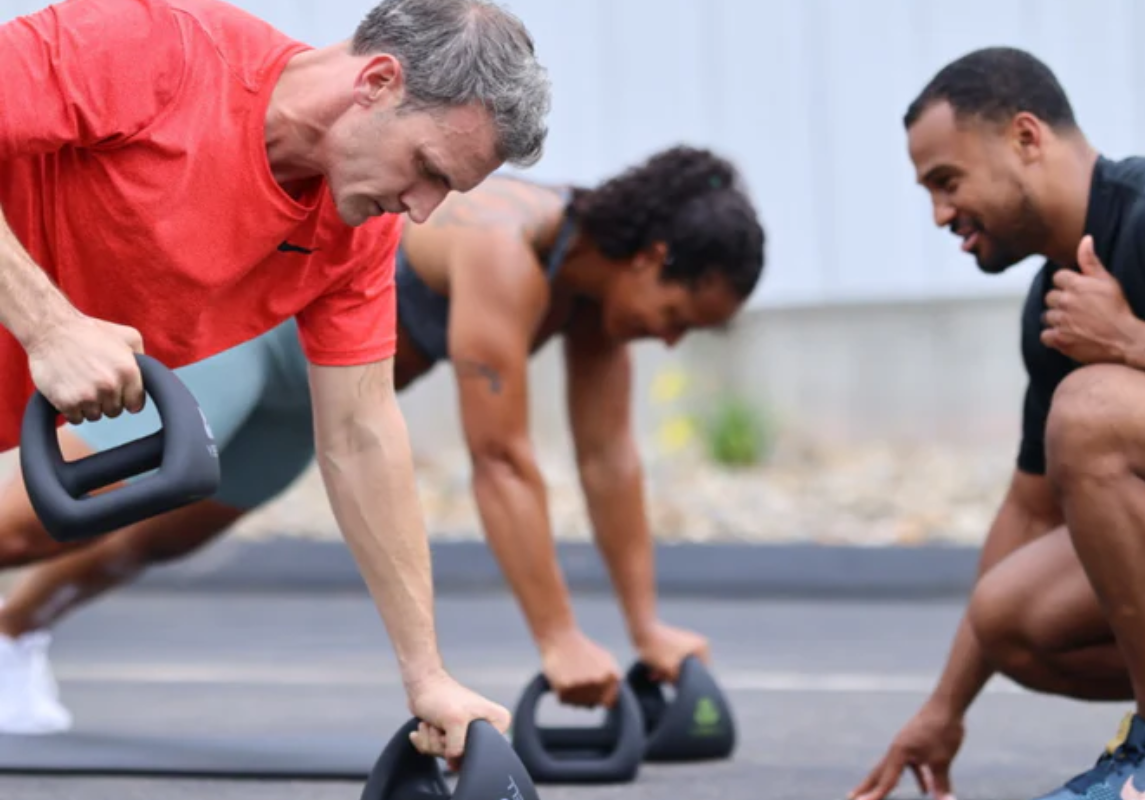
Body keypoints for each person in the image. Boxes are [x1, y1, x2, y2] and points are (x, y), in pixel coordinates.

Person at [0, 144, 766, 734]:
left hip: (309, 404)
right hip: (247, 338)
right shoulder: (507, 244)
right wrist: (559, 639)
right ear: (653, 258)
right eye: (679, 316)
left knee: (154, 541)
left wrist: (644, 629)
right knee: (55, 510)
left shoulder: (595, 304)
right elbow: (500, 461)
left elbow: (609, 464)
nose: (670, 341)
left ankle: (12, 638)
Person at [0, 0, 552, 764]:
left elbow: (361, 435)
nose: (423, 211)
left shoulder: (355, 232)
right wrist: (49, 324)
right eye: (427, 170)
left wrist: (426, 674)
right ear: (379, 81)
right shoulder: (158, 51)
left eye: (446, 192)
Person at [849, 46, 1145, 800]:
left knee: (1095, 409)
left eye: (947, 182)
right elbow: (1030, 511)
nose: (941, 215)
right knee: (1009, 615)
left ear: (1026, 139)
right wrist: (945, 709)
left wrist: (1137, 343)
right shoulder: (1054, 306)